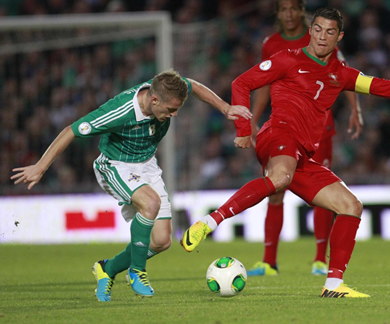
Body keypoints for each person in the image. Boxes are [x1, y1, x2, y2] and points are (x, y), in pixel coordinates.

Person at [180, 8, 390, 298]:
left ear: (339, 36)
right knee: (280, 177)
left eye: (329, 31)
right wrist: (242, 129)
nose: (322, 36)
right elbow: (242, 83)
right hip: (277, 134)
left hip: (302, 155)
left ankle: (333, 285)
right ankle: (208, 222)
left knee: (351, 206)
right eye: (317, 29)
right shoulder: (287, 59)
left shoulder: (341, 74)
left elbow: (383, 87)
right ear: (310, 30)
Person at [11, 69, 252, 302]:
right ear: (154, 99)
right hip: (115, 165)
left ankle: (107, 268)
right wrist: (40, 167)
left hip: (146, 165)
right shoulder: (119, 111)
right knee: (151, 203)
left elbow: (192, 84)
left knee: (161, 242)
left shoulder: (166, 89)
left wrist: (225, 107)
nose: (175, 115)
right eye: (171, 109)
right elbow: (71, 130)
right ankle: (137, 271)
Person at [248, 0, 363, 277]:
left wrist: (355, 109)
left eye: (292, 8)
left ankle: (319, 260)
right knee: (275, 188)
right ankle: (269, 262)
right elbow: (262, 83)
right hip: (282, 127)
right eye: (282, 9)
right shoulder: (271, 44)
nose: (288, 14)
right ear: (277, 14)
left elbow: (346, 76)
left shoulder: (322, 38)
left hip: (317, 129)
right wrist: (253, 118)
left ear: (302, 11)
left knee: (322, 193)